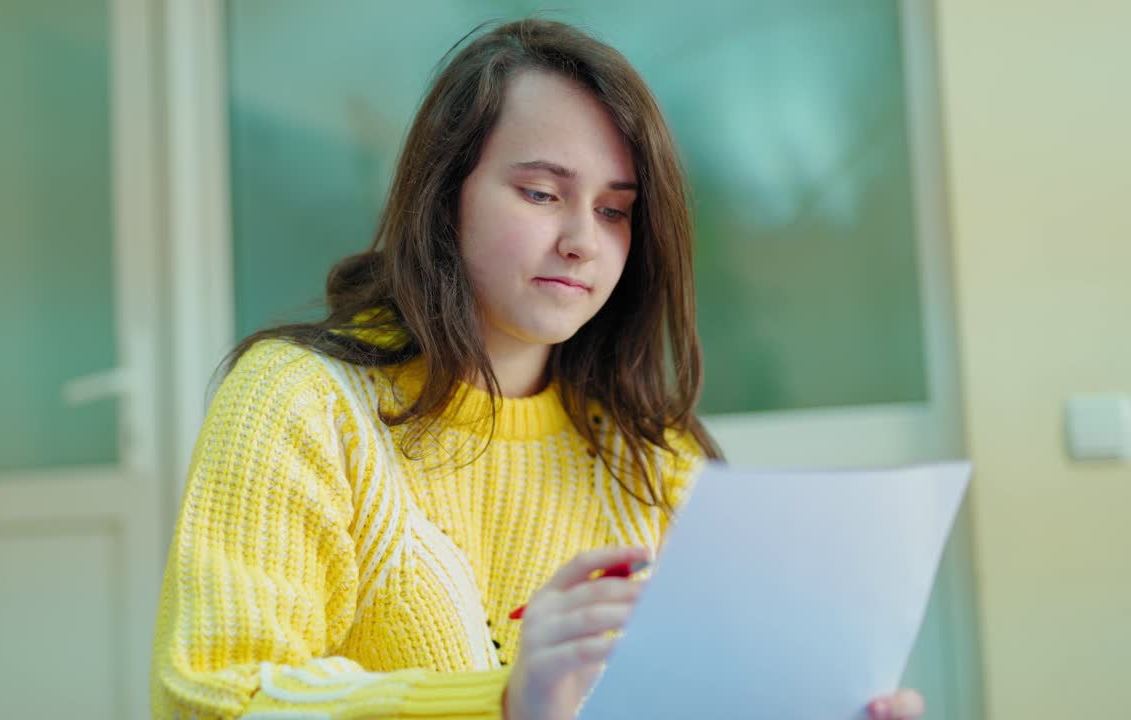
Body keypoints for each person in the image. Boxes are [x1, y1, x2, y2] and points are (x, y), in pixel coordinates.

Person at [150, 18, 926, 720]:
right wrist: (502, 702)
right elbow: (216, 698)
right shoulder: (298, 403)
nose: (583, 240)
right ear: (443, 196)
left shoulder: (650, 455)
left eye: (614, 210)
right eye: (541, 192)